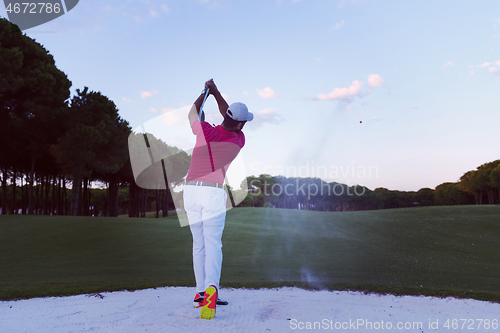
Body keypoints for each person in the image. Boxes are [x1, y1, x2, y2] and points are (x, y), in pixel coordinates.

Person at [184, 79, 253, 320]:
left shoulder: (205, 131)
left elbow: (193, 113)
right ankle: (212, 289)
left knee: (198, 244)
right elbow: (230, 117)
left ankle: (200, 294)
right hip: (213, 192)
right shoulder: (238, 140)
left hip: (190, 191)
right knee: (213, 244)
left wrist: (205, 92)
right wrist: (216, 92)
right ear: (241, 123)